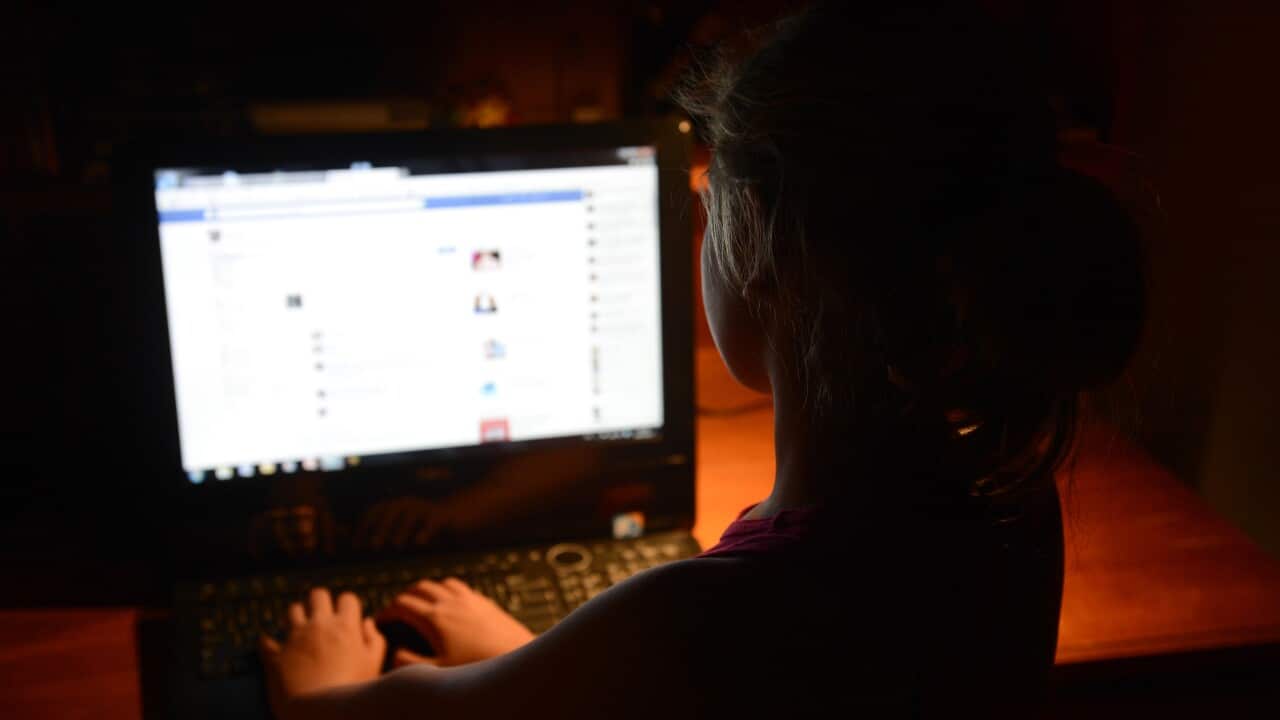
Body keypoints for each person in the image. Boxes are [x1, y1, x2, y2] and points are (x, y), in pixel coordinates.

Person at [257, 3, 1144, 717]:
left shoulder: (699, 620)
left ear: (754, 236)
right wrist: (535, 661)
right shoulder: (1010, 503)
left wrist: (322, 689)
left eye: (707, 201)